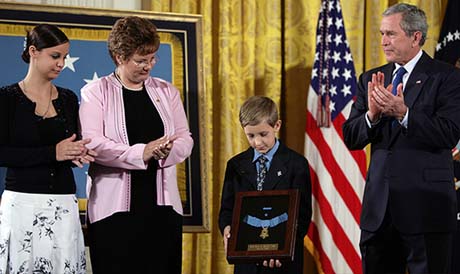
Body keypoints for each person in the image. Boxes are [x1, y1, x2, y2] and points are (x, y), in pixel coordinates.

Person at [342, 3, 460, 274]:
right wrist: (371, 116)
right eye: (382, 33)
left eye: (391, 34)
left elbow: (449, 132)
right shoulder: (372, 79)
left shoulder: (447, 77)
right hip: (379, 212)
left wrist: (404, 114)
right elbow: (351, 137)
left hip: (426, 209)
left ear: (416, 37)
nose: (383, 41)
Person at [79, 16, 194, 274]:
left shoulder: (167, 92)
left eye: (153, 58)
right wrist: (142, 152)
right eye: (141, 60)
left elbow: (185, 139)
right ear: (120, 57)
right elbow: (94, 143)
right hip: (114, 215)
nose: (149, 66)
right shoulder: (96, 92)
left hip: (162, 212)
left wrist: (166, 151)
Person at [0, 24, 95, 274]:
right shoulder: (6, 98)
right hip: (21, 205)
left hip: (64, 205)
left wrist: (78, 152)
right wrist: (53, 152)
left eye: (64, 57)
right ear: (33, 51)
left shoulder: (69, 98)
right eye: (55, 56)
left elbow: (72, 145)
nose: (61, 63)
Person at [218, 95, 312, 274]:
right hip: (247, 263)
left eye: (263, 134)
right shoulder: (235, 165)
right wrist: (227, 228)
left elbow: (303, 215)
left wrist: (281, 248)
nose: (257, 142)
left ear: (276, 126)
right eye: (250, 136)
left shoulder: (296, 164)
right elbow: (227, 210)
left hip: (282, 264)